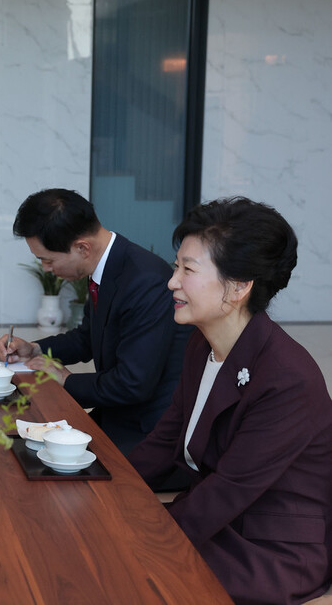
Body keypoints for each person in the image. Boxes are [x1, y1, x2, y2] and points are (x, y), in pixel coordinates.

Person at [128, 197, 332, 604]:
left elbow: (230, 489)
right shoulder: (201, 343)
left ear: (239, 287)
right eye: (176, 267)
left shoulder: (287, 377)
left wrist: (147, 536)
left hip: (267, 546)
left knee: (126, 572)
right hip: (215, 519)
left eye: (188, 270)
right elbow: (165, 441)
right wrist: (107, 488)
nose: (172, 281)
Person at [0, 189, 191, 454]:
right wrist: (35, 349)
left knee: (41, 457)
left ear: (82, 248)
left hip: (149, 432)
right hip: (117, 413)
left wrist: (66, 380)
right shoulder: (110, 264)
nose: (46, 269)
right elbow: (88, 337)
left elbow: (133, 383)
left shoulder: (145, 280)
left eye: (48, 259)